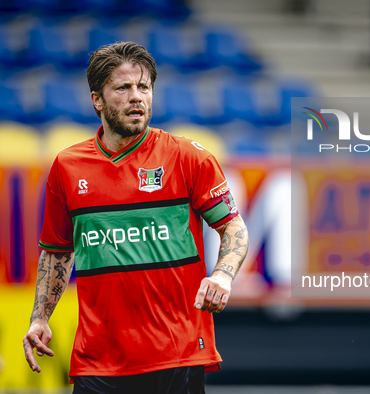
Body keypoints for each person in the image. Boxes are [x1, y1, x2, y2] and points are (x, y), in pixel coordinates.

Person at [22, 41, 249, 394]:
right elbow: (56, 251)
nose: (136, 97)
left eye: (144, 87)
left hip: (178, 356)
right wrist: (40, 317)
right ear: (97, 99)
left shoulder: (188, 158)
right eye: (123, 88)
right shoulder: (67, 167)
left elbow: (233, 225)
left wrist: (223, 274)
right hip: (98, 361)